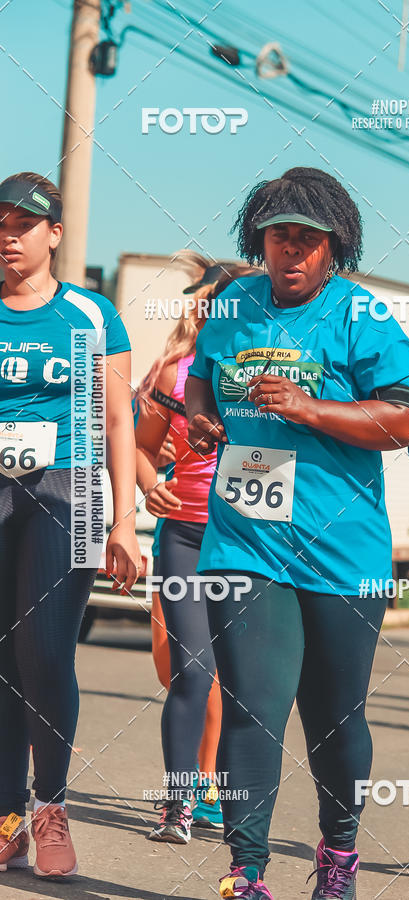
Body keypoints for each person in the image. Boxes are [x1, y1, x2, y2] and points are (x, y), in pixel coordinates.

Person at [185, 166, 409, 900]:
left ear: (333, 248)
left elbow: (404, 422)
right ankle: (246, 871)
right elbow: (203, 375)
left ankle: (339, 853)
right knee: (254, 706)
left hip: (342, 551)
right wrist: (202, 416)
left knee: (333, 719)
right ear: (257, 240)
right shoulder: (234, 303)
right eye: (277, 236)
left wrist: (307, 408)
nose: (289, 252)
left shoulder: (362, 316)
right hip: (245, 540)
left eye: (306, 239)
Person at [0, 172, 140, 877]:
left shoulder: (90, 314)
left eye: (21, 226)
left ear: (53, 233)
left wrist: (125, 521)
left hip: (72, 487)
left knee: (46, 658)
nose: (6, 237)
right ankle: (4, 819)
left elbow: (119, 419)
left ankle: (49, 808)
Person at [135, 261, 255, 843]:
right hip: (184, 534)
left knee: (244, 680)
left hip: (252, 541)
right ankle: (178, 803)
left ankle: (226, 804)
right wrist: (147, 483)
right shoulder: (174, 374)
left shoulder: (277, 377)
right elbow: (139, 449)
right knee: (187, 670)